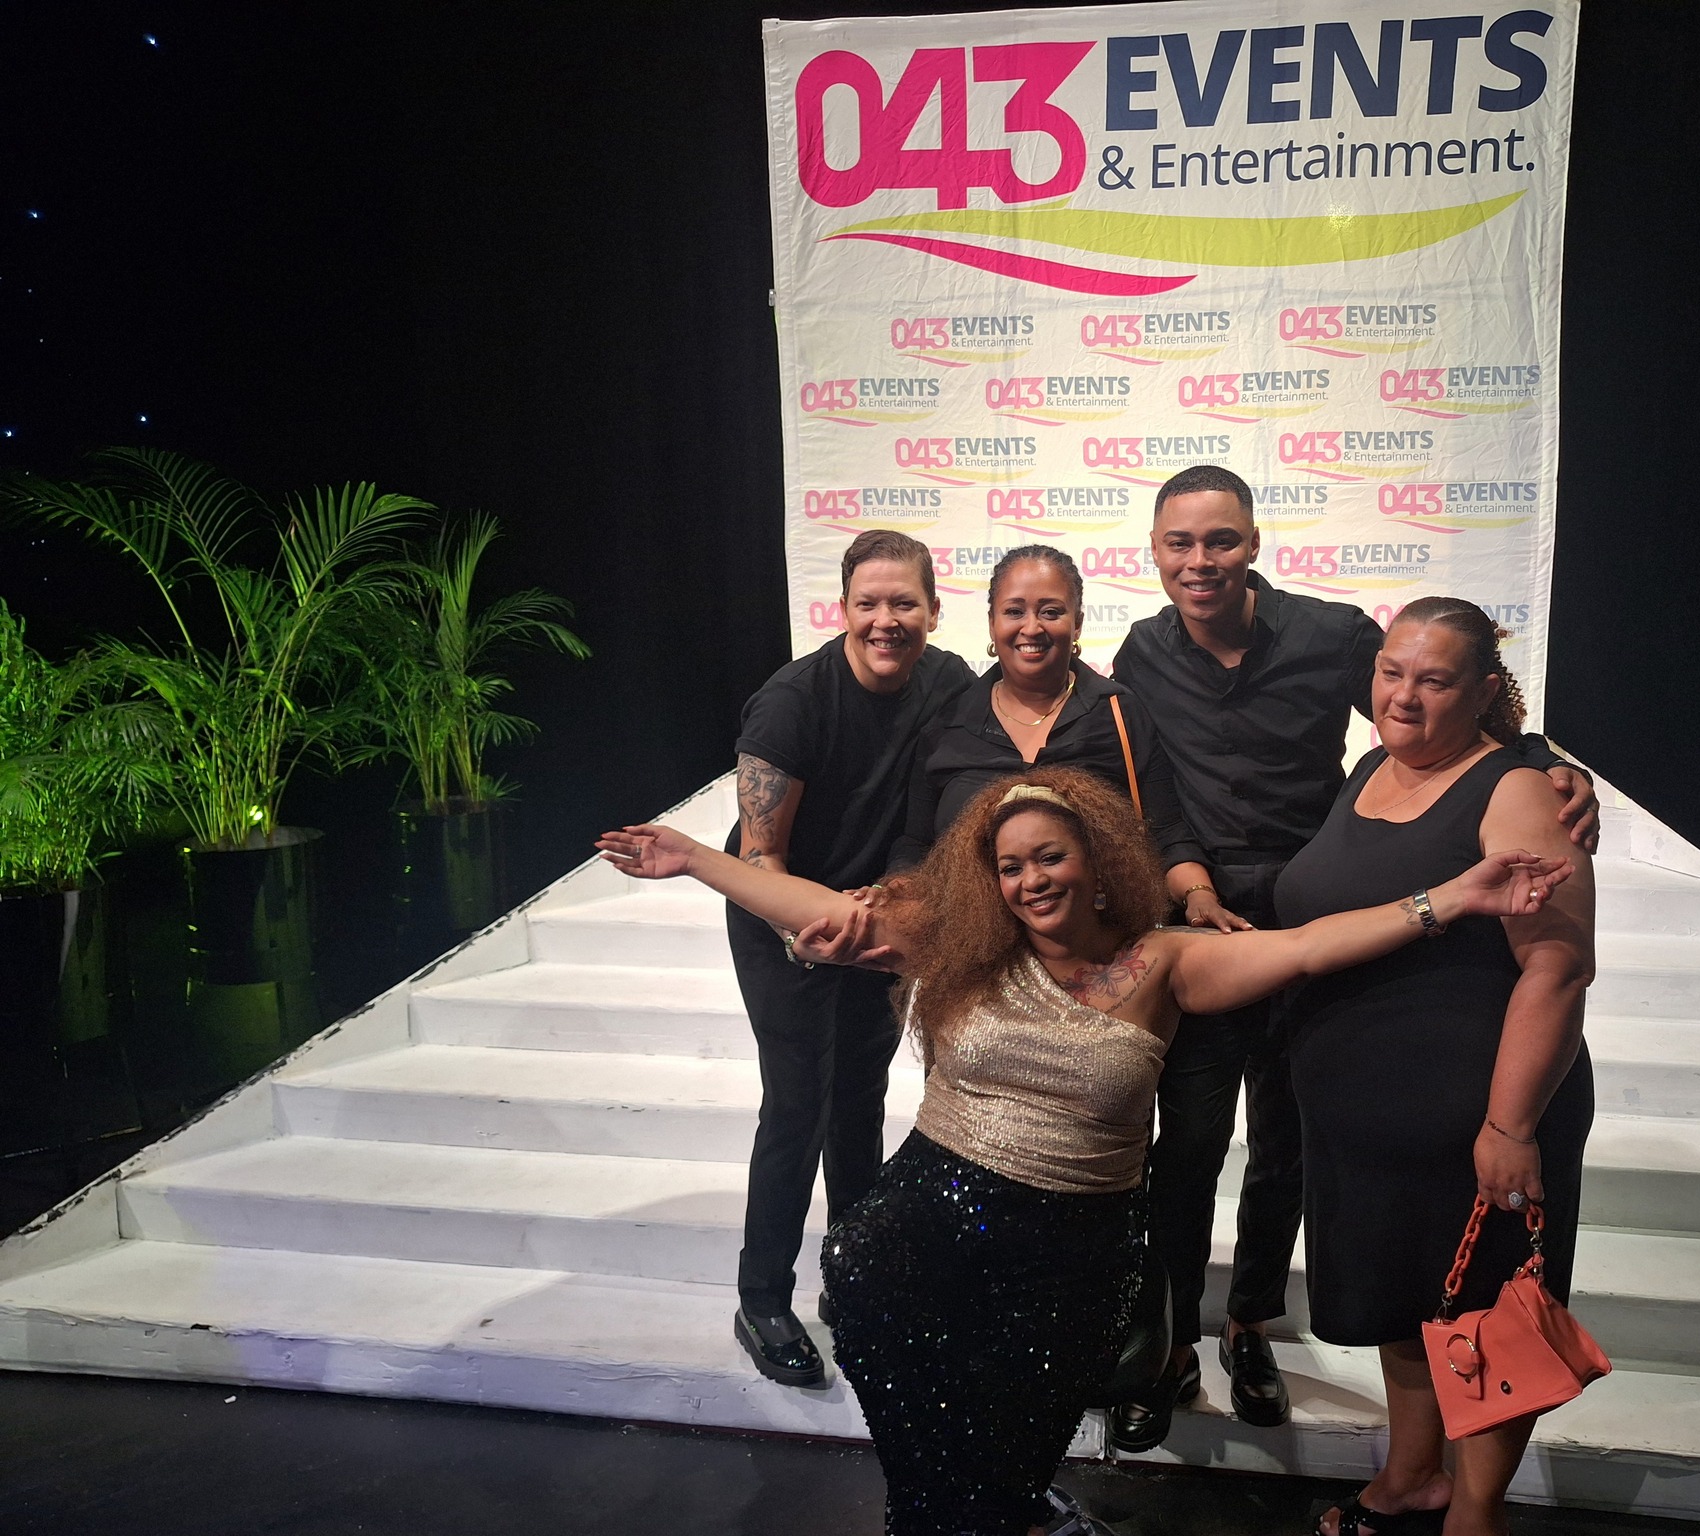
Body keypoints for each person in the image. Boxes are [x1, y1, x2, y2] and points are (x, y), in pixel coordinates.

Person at [596, 767, 1570, 1536]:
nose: (1030, 882)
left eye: (1049, 858)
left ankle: (1000, 1511)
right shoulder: (963, 945)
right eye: (1010, 867)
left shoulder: (1165, 962)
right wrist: (693, 857)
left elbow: (1309, 946)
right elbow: (812, 909)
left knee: (1010, 1450)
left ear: (1096, 861)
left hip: (1075, 1247)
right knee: (895, 1362)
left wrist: (1453, 895)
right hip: (928, 1212)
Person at [1108, 465, 1598, 1445]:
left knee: (1286, 1149)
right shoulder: (1141, 653)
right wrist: (1189, 888)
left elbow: (1445, 697)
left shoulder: (1333, 636)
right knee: (1186, 1149)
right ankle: (1167, 1342)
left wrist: (1547, 762)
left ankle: (1250, 1326)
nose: (1200, 561)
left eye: (1220, 540)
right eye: (1179, 543)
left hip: (1328, 916)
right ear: (1154, 552)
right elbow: (1154, 796)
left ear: (1253, 544)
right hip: (1201, 925)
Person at [1274, 597, 1597, 1536]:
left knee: (1486, 1316)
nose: (1402, 697)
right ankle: (1412, 1476)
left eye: (1434, 680)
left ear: (1485, 691)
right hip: (1363, 1121)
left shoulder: (1516, 789)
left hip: (1476, 1121)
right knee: (1406, 1305)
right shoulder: (1370, 767)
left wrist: (1510, 1126)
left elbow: (1558, 965)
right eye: (1390, 672)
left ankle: (1475, 1512)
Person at [720, 529, 973, 1388]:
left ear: (933, 609)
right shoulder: (792, 701)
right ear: (843, 609)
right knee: (799, 1102)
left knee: (860, 1099)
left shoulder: (951, 684)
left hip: (880, 918)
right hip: (782, 914)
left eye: (904, 602)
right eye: (868, 603)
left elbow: (942, 815)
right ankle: (761, 1299)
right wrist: (808, 931)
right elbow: (761, 855)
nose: (885, 620)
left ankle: (852, 1279)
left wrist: (897, 904)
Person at [889, 545, 1239, 936]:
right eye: (1014, 611)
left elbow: (1168, 834)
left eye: (1051, 611)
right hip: (974, 949)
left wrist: (1199, 896)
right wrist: (895, 892)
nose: (1032, 627)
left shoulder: (1120, 714)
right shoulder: (946, 726)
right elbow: (916, 845)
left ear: (1077, 625)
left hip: (1101, 950)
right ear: (991, 623)